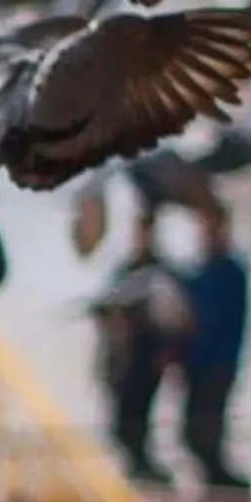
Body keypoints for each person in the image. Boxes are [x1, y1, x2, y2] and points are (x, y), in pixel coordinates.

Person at [91, 209, 185, 487]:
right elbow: (106, 313)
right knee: (122, 420)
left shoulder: (161, 272)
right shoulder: (124, 271)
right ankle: (133, 467)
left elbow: (173, 319)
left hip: (147, 360)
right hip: (122, 361)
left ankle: (142, 465)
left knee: (140, 416)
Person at [176, 199, 251, 496]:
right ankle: (213, 477)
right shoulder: (200, 272)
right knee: (194, 429)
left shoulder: (230, 271)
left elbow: (223, 321)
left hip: (217, 361)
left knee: (207, 427)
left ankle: (220, 478)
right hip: (197, 362)